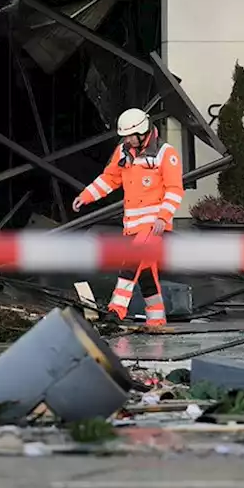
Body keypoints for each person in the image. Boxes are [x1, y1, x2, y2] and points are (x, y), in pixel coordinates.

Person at [72, 107, 185, 326]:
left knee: (131, 263)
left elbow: (174, 189)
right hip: (132, 226)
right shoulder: (123, 152)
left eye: (131, 136)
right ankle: (156, 318)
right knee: (145, 273)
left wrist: (163, 217)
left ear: (143, 132)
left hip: (153, 225)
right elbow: (109, 179)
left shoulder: (165, 153)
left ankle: (117, 310)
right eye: (125, 136)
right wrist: (86, 196)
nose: (128, 140)